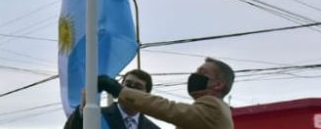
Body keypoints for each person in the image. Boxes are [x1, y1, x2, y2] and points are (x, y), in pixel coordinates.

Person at [100, 58, 235, 129]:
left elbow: (168, 108)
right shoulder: (208, 110)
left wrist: (119, 90)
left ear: (218, 84)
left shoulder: (214, 106)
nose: (194, 75)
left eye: (202, 73)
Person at [64, 70, 159, 129]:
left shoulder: (152, 128)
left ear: (147, 94)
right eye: (128, 84)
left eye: (138, 87)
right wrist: (84, 110)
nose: (131, 89)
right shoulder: (97, 115)